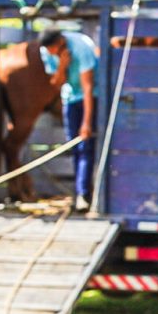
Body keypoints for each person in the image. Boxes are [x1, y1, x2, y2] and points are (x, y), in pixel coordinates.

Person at [39, 28, 97, 212]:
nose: (49, 54)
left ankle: (83, 194)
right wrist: (62, 65)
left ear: (60, 43)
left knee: (85, 146)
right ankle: (80, 191)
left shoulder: (81, 47)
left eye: (52, 50)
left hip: (89, 98)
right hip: (69, 98)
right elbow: (56, 83)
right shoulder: (46, 51)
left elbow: (88, 87)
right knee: (74, 146)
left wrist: (86, 122)